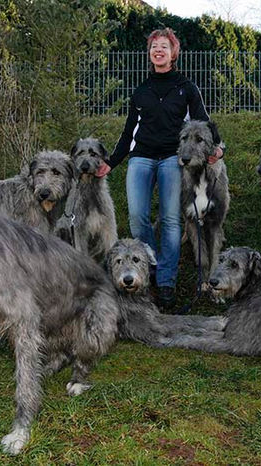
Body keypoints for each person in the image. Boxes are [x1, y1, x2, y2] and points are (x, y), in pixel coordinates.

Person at [95, 28, 223, 310]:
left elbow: (204, 122)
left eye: (164, 46)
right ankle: (147, 271)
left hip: (171, 159)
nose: (159, 51)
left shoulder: (186, 88)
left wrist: (218, 148)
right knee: (138, 216)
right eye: (154, 46)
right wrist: (112, 162)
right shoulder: (141, 90)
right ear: (150, 53)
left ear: (173, 52)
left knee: (170, 220)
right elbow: (129, 132)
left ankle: (166, 281)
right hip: (140, 157)